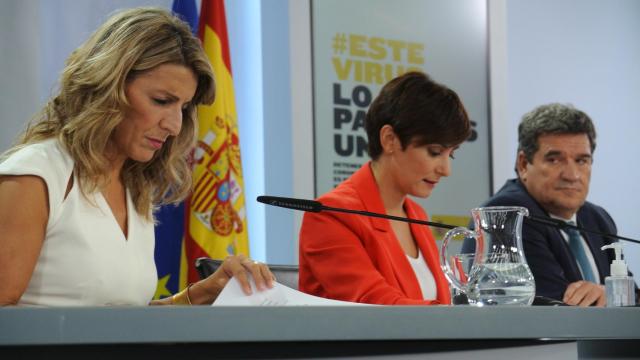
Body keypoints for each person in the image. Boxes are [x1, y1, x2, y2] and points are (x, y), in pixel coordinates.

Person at [0, 7, 273, 306]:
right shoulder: (33, 177)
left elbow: (124, 322)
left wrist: (199, 296)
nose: (174, 125)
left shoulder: (133, 186)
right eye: (161, 101)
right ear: (107, 87)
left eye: (183, 108)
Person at [299, 71, 471, 305]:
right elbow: (376, 306)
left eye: (451, 154)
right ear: (390, 139)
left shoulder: (416, 215)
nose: (445, 169)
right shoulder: (330, 214)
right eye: (435, 152)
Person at [462, 103, 637, 306]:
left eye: (581, 161)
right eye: (555, 160)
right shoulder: (506, 215)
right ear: (523, 164)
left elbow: (631, 292)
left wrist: (609, 294)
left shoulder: (597, 218)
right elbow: (555, 303)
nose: (572, 175)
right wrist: (612, 297)